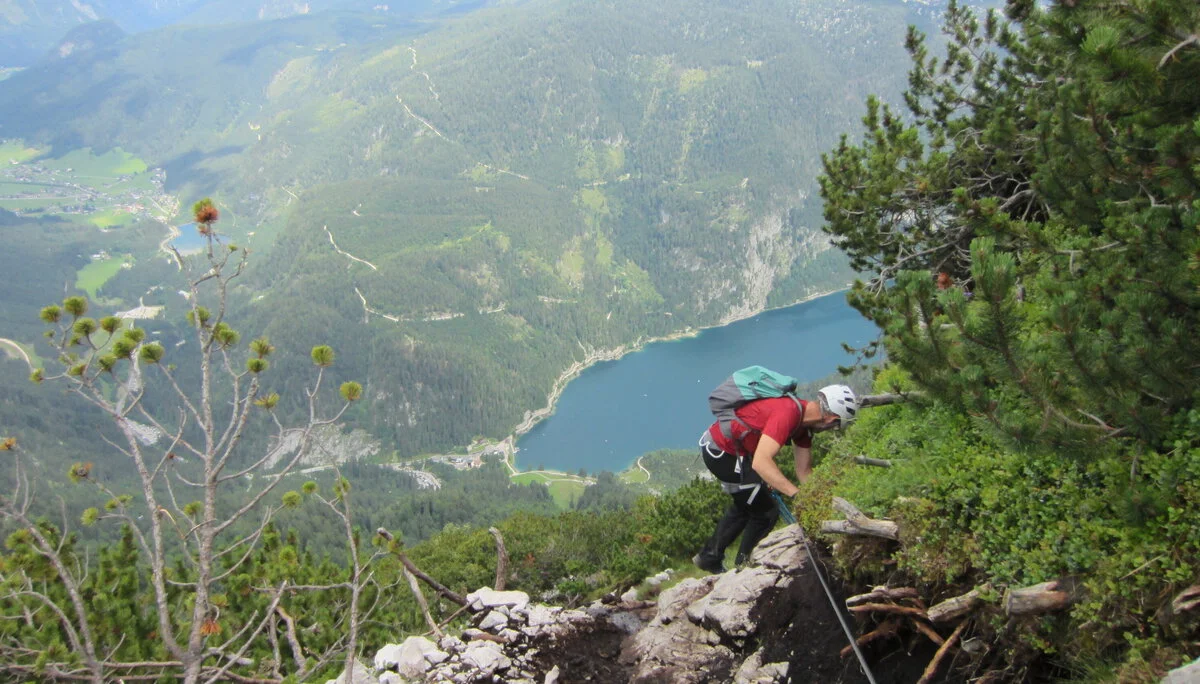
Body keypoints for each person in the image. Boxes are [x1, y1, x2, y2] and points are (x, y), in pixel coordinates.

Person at [692, 384, 859, 573]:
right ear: (831, 418)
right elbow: (761, 463)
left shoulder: (803, 427)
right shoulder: (787, 414)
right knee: (766, 512)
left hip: (729, 449)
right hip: (722, 452)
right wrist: (796, 494)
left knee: (749, 501)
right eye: (836, 426)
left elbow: (804, 471)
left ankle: (709, 557)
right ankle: (743, 568)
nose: (832, 429)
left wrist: (821, 501)